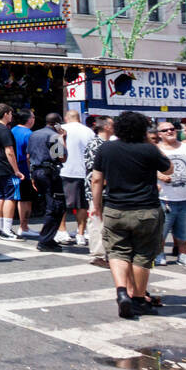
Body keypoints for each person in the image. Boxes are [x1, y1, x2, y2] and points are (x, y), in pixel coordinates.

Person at [91, 111, 171, 320]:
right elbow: (169, 169)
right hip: (146, 210)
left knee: (117, 252)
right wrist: (150, 144)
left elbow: (97, 180)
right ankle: (137, 298)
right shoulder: (148, 150)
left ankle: (121, 292)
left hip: (115, 208)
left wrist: (97, 205)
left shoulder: (106, 148)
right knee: (143, 255)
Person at [155, 120, 186, 269]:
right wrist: (158, 176)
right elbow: (145, 168)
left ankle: (184, 255)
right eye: (165, 130)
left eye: (172, 129)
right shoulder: (156, 149)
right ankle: (159, 254)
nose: (169, 131)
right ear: (159, 134)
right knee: (161, 230)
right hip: (164, 198)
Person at [27, 113, 68, 252]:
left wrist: (32, 174)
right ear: (57, 124)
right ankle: (46, 240)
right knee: (56, 205)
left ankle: (48, 238)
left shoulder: (34, 134)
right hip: (49, 173)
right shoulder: (54, 136)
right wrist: (63, 139)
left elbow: (29, 156)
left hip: (37, 171)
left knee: (50, 204)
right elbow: (61, 158)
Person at [0, 103, 25, 240]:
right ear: (5, 114)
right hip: (5, 167)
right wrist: (16, 170)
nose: (11, 116)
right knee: (11, 197)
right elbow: (9, 151)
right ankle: (7, 229)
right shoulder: (4, 130)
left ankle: (0, 227)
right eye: (10, 113)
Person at [59, 110, 95, 246]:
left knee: (61, 202)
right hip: (83, 172)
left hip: (64, 170)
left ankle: (62, 231)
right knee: (82, 205)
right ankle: (81, 233)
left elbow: (55, 152)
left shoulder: (60, 130)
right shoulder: (89, 132)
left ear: (66, 118)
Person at [85, 115, 113, 268]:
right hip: (97, 189)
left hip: (106, 189)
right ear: (107, 126)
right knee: (96, 221)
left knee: (104, 222)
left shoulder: (106, 143)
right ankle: (97, 254)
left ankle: (104, 252)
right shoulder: (96, 144)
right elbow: (93, 171)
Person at [12, 109, 36, 235]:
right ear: (29, 119)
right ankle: (24, 226)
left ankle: (20, 226)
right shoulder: (29, 133)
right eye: (33, 117)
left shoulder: (12, 130)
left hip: (12, 168)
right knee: (26, 199)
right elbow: (29, 156)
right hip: (24, 169)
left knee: (16, 198)